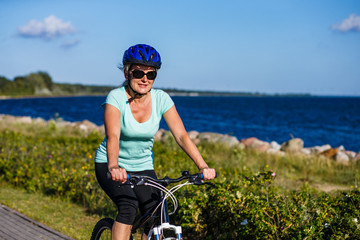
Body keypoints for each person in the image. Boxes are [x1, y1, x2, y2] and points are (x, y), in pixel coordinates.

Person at [94, 43, 216, 240]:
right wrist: (114, 166)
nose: (144, 79)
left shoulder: (161, 99)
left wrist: (203, 166)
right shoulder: (115, 98)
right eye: (138, 73)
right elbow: (113, 136)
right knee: (128, 207)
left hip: (142, 166)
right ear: (127, 74)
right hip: (111, 165)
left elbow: (182, 136)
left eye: (150, 75)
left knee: (157, 212)